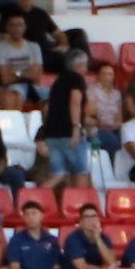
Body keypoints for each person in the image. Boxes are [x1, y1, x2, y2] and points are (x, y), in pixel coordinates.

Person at [40, 49, 92, 191]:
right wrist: (76, 127)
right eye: (85, 65)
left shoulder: (58, 81)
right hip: (68, 132)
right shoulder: (77, 79)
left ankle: (36, 197)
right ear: (80, 65)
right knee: (80, 173)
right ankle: (80, 205)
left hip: (52, 134)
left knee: (58, 174)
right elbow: (75, 102)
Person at [0, 0, 71, 73]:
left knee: (78, 34)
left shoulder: (41, 14)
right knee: (64, 61)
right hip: (26, 58)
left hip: (46, 53)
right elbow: (5, 39)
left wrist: (63, 45)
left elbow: (58, 34)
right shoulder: (8, 14)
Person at [0, 10, 48, 108]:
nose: (16, 29)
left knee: (59, 95)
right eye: (12, 25)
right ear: (7, 28)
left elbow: (37, 77)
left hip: (34, 87)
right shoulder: (0, 48)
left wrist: (17, 72)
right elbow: (5, 79)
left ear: (24, 27)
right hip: (14, 86)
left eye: (20, 25)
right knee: (17, 95)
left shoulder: (34, 46)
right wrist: (28, 73)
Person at [62, 204, 116, 269]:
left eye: (94, 216)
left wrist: (98, 238)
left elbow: (111, 262)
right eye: (87, 217)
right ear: (81, 222)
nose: (91, 220)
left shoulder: (104, 238)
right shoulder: (73, 239)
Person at [86, 62, 123, 158]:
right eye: (104, 74)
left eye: (110, 74)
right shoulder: (91, 90)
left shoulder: (117, 94)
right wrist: (101, 124)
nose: (107, 77)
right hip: (97, 128)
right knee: (113, 141)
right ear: (98, 76)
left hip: (114, 128)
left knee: (127, 138)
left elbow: (119, 118)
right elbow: (90, 113)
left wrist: (115, 125)